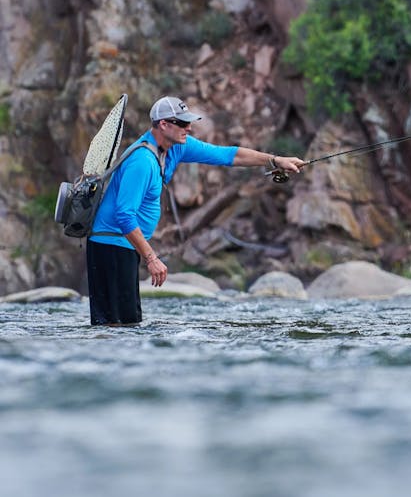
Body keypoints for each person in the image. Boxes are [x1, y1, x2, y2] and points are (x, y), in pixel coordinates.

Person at [87, 95, 306, 326]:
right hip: (109, 247)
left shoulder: (176, 147)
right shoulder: (142, 161)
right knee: (115, 327)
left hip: (123, 246)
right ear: (164, 124)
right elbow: (124, 214)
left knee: (127, 326)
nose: (189, 127)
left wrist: (276, 160)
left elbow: (229, 155)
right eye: (182, 123)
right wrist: (151, 258)